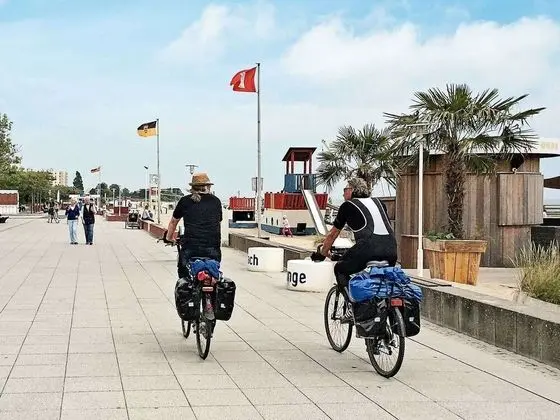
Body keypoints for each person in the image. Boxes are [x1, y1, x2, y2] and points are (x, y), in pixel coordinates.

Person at [314, 177, 397, 322]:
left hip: (368, 248)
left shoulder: (348, 206)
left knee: (340, 269)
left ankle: (351, 308)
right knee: (380, 280)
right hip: (391, 249)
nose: (343, 193)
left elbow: (333, 234)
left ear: (352, 190)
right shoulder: (379, 203)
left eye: (345, 189)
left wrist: (323, 252)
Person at [165, 173, 223, 279]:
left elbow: (173, 222)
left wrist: (169, 238)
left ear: (192, 187)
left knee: (184, 274)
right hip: (213, 249)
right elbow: (217, 222)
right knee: (214, 274)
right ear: (208, 187)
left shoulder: (185, 201)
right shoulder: (216, 201)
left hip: (190, 248)